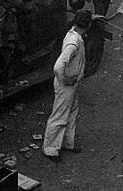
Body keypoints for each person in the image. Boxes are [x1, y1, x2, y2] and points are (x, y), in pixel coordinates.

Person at [42, 9, 91, 163]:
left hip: (72, 82)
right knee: (60, 115)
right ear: (88, 25)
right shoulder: (73, 42)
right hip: (67, 84)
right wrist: (65, 80)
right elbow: (58, 67)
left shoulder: (75, 35)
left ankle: (67, 142)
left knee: (72, 112)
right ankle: (50, 149)